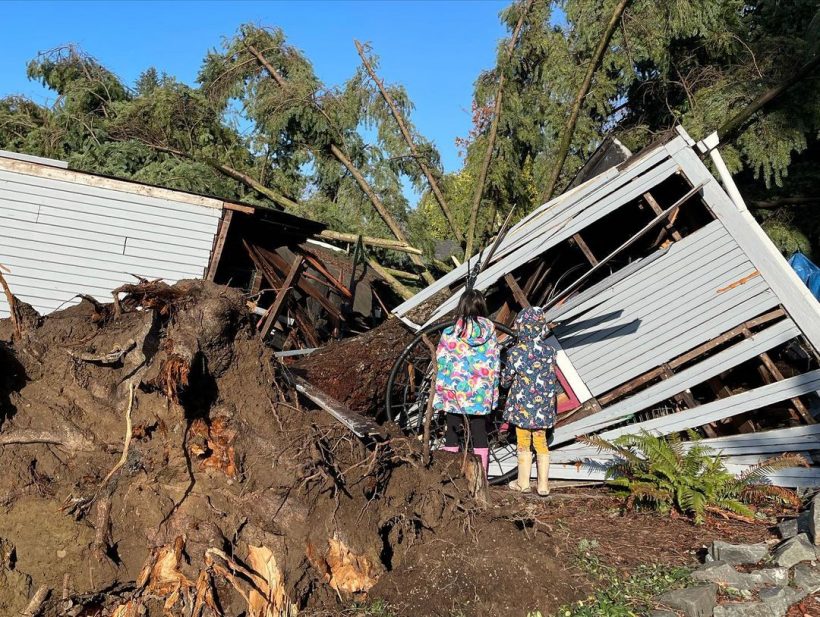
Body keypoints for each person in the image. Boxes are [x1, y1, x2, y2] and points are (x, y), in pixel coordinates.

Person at [432, 289, 500, 474]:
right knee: (479, 432)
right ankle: (481, 477)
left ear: (461, 305)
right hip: (480, 392)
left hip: (454, 391)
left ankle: (451, 473)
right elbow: (495, 362)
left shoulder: (450, 332)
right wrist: (493, 392)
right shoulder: (490, 332)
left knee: (451, 431)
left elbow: (440, 361)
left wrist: (440, 390)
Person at [501, 306, 557, 496]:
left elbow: (506, 379)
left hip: (522, 405)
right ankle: (543, 485)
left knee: (523, 440)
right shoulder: (550, 352)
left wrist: (503, 381)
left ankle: (523, 483)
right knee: (541, 441)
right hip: (543, 406)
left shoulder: (516, 352)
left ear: (522, 327)